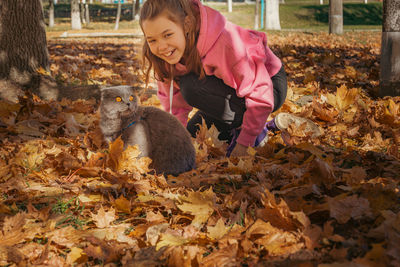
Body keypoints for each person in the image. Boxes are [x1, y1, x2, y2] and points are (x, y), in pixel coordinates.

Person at [139, 0, 319, 157]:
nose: (161, 46)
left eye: (167, 34)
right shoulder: (165, 56)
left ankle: (255, 131)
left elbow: (260, 92)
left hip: (269, 86)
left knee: (191, 87)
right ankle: (273, 125)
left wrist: (245, 142)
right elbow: (175, 105)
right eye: (152, 40)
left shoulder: (226, 43)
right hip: (229, 92)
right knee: (191, 134)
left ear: (186, 24)